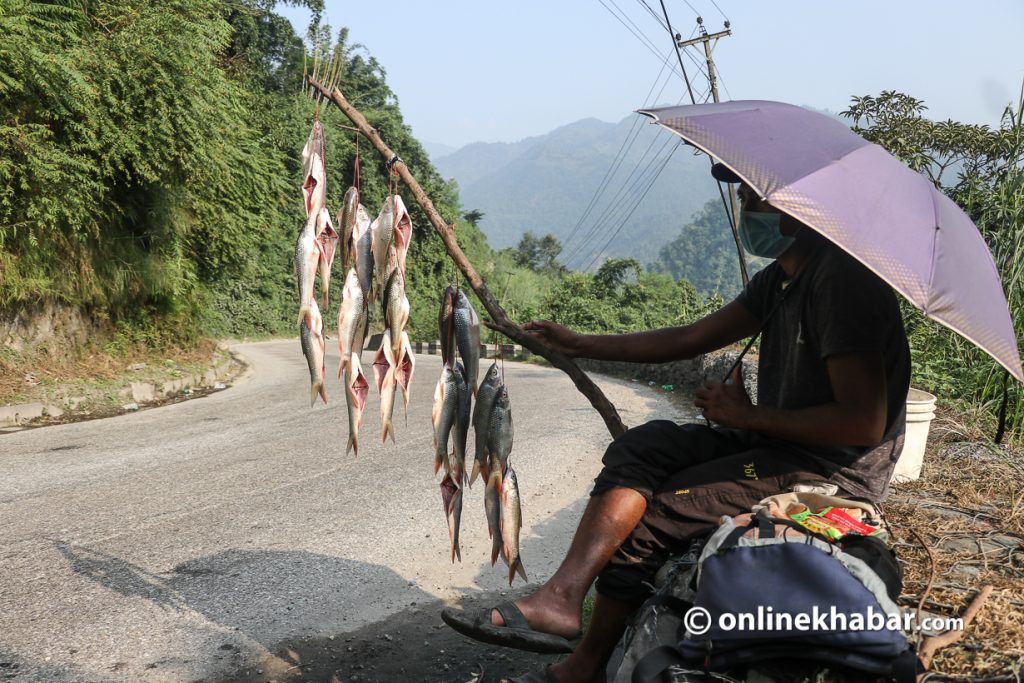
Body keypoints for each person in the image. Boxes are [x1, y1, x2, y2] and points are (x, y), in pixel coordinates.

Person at [442, 162, 911, 683]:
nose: (744, 209)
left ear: (798, 210)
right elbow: (690, 339)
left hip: (825, 472)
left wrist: (749, 415)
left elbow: (864, 424)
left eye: (755, 198)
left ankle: (585, 666)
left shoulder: (844, 286)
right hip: (774, 444)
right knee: (646, 447)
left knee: (667, 508)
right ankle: (562, 596)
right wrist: (579, 342)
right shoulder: (781, 281)